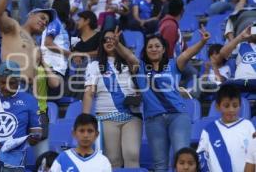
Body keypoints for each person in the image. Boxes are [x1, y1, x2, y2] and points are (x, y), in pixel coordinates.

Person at [118, 27, 210, 171]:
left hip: (178, 116)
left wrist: (203, 42)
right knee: (160, 164)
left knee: (183, 157)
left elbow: (187, 54)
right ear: (145, 50)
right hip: (153, 120)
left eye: (157, 46)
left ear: (163, 49)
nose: (154, 49)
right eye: (150, 46)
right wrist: (117, 44)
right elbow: (128, 55)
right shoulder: (140, 67)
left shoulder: (174, 64)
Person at [83, 28, 142, 168]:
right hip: (106, 116)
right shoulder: (94, 65)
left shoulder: (129, 62)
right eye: (105, 40)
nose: (109, 42)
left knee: (132, 155)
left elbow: (134, 61)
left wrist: (118, 45)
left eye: (113, 39)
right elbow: (89, 93)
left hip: (131, 115)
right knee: (113, 159)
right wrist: (84, 119)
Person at [0, 0, 56, 88]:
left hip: (29, 91)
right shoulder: (14, 27)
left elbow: (52, 83)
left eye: (46, 23)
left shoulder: (37, 47)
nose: (43, 22)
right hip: (10, 85)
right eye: (42, 17)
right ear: (31, 15)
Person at [197, 84, 255, 172]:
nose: (231, 109)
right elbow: (201, 156)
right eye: (226, 106)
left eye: (235, 106)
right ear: (218, 106)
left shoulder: (247, 126)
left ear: (240, 106)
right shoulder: (209, 130)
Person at [41, 0, 71, 95]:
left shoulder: (59, 23)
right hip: (52, 67)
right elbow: (48, 43)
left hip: (57, 68)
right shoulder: (55, 22)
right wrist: (68, 53)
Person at [219, 25, 256, 92]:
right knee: (222, 88)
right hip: (241, 81)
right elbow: (223, 53)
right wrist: (241, 36)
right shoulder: (241, 45)